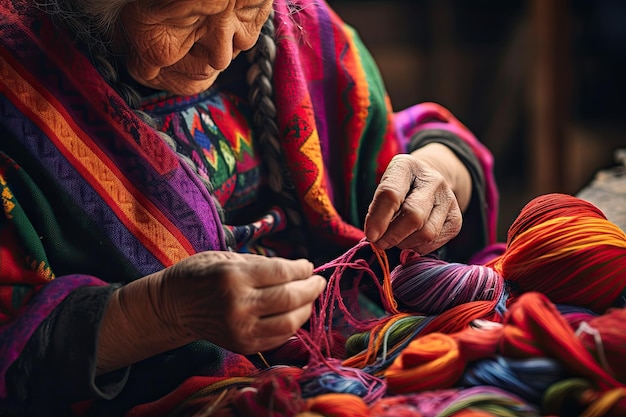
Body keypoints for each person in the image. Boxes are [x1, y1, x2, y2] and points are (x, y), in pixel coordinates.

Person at [0, 0, 499, 415]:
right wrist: (161, 312)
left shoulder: (300, 27)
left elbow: (398, 141)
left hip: (373, 346)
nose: (225, 49)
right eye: (186, 19)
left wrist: (440, 169)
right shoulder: (13, 92)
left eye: (247, 7)